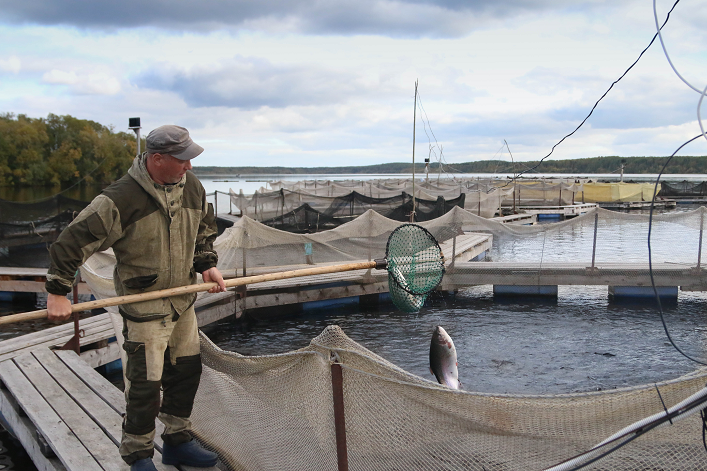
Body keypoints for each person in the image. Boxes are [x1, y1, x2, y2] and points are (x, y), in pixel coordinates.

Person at [45, 125, 227, 471]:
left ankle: (177, 439)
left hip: (182, 300)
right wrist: (56, 293)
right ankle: (139, 455)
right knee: (145, 387)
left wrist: (207, 265)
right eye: (182, 160)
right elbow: (70, 243)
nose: (189, 167)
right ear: (157, 159)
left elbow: (205, 229)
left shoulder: (193, 188)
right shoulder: (120, 198)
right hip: (144, 308)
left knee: (186, 373)